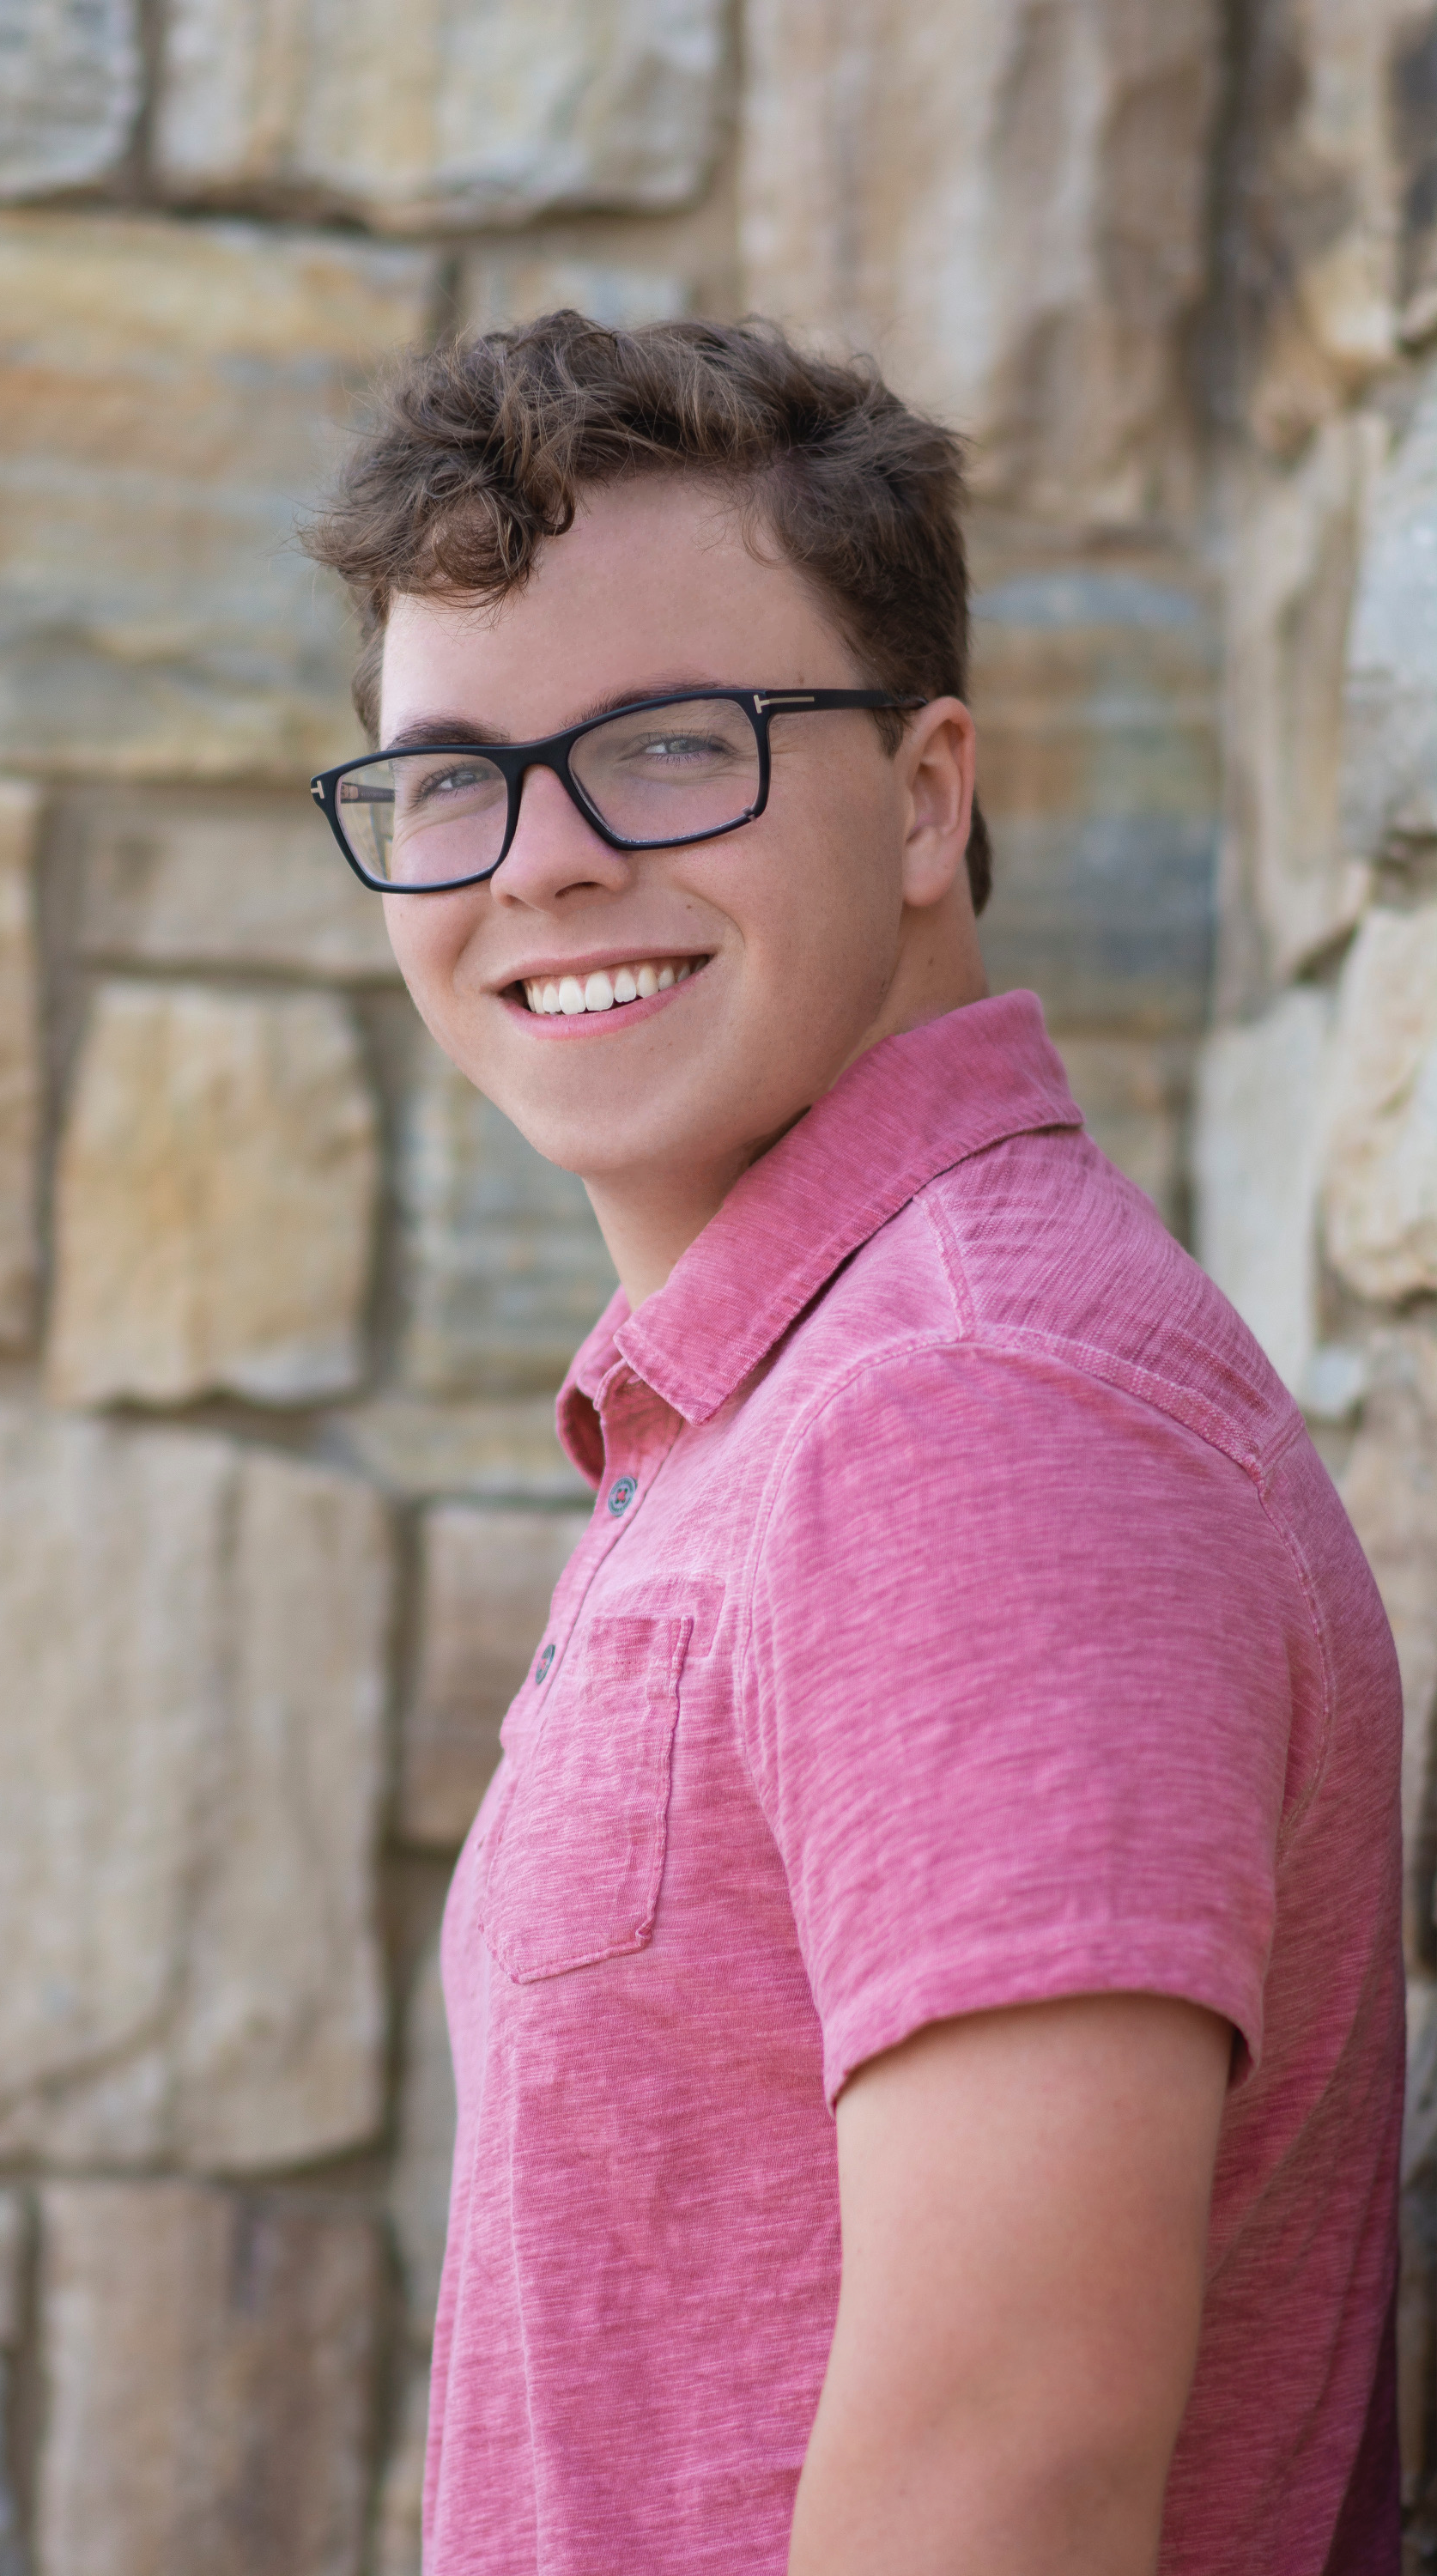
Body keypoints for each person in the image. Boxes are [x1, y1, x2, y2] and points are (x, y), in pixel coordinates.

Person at [305, 314, 1404, 2576]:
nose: (542, 863)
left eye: (671, 748)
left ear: (923, 799)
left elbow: (1010, 2473)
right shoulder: (786, 1399)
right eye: (451, 781)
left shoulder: (972, 1417)